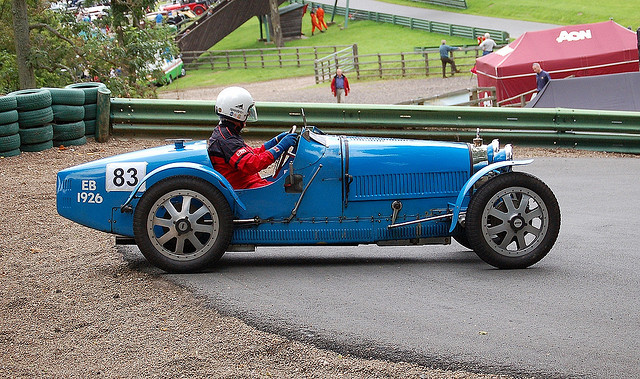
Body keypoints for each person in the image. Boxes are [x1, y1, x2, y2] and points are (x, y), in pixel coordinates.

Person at [207, 87, 298, 190]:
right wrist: (280, 147)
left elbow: (249, 154)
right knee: (293, 190)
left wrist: (274, 142)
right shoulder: (226, 139)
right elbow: (252, 164)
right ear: (238, 113)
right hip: (246, 188)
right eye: (247, 113)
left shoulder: (225, 133)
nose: (247, 119)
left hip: (248, 183)